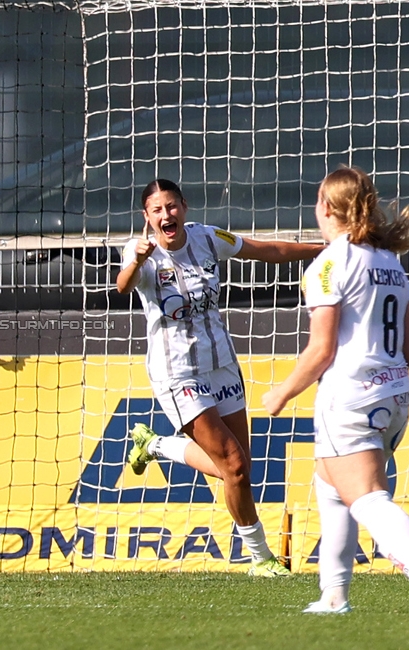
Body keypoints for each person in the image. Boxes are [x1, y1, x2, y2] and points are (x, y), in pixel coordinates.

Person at [262, 166, 409, 614]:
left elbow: (321, 350)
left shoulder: (331, 263)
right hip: (394, 396)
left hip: (349, 396)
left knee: (367, 497)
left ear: (328, 207)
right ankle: (333, 595)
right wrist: (382, 374)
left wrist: (280, 394)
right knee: (332, 485)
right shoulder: (389, 261)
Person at [118, 178, 323, 576]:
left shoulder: (208, 239)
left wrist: (322, 248)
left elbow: (268, 250)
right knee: (234, 467)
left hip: (223, 364)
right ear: (147, 217)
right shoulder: (141, 252)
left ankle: (158, 445)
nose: (166, 215)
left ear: (184, 207)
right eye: (157, 210)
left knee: (240, 467)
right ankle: (260, 558)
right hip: (178, 372)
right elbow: (123, 286)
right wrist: (137, 261)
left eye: (172, 206)